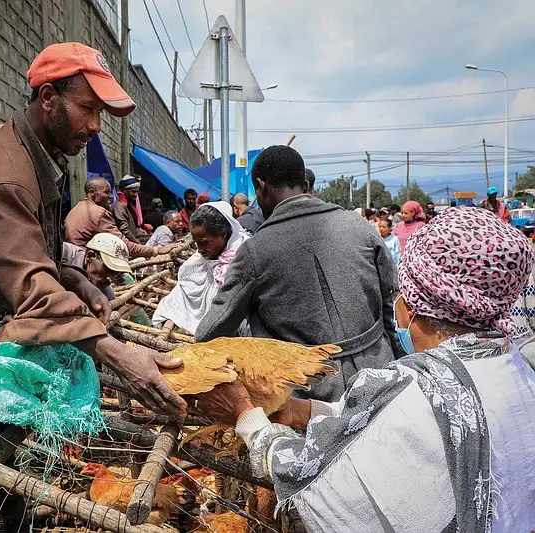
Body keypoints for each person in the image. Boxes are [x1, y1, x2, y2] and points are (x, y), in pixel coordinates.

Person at [193, 207, 535, 532]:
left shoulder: (404, 385)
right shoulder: (520, 371)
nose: (397, 299)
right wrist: (302, 412)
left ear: (418, 303)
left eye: (401, 290)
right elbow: (373, 420)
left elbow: (302, 471)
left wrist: (245, 415)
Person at [0, 42, 186, 418]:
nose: (96, 126)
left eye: (100, 112)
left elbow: (34, 249)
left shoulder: (42, 156)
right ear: (48, 97)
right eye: (87, 109)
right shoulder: (6, 175)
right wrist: (122, 357)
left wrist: (73, 277)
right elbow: (31, 283)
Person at [195, 145, 401, 402]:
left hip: (306, 399)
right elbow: (389, 307)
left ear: (260, 186)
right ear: (304, 184)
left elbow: (211, 330)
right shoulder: (361, 227)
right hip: (381, 380)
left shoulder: (255, 251)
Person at [153, 202, 249, 335]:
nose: (199, 249)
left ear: (223, 235)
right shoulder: (198, 261)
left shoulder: (244, 257)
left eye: (204, 243)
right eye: (196, 243)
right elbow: (183, 288)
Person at [65, 177, 175, 258]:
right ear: (92, 192)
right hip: (87, 264)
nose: (110, 196)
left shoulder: (75, 209)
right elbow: (122, 244)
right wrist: (156, 250)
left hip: (73, 261)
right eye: (107, 192)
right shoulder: (101, 213)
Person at [62, 233, 131, 300]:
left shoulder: (100, 280)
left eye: (116, 273)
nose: (111, 279)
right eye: (108, 269)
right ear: (90, 256)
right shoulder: (62, 256)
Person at [110, 175, 146, 242]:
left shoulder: (129, 205)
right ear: (124, 191)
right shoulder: (119, 206)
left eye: (137, 192)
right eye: (133, 192)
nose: (136, 195)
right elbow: (125, 231)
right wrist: (137, 244)